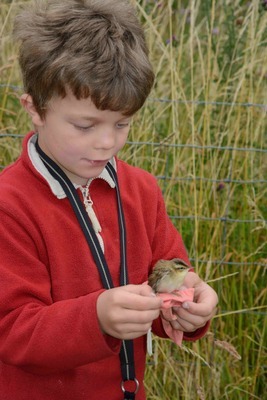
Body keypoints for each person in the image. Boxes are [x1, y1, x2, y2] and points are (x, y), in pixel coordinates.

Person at [0, 0, 218, 399]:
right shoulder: (9, 206)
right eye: (85, 125)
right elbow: (11, 329)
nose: (106, 142)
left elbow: (167, 274)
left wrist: (187, 302)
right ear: (35, 108)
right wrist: (96, 317)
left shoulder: (141, 190)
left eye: (122, 124)